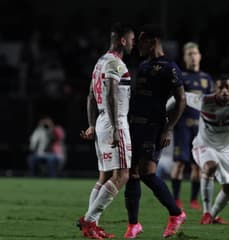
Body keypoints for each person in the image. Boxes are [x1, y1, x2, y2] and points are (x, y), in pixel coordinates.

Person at [169, 75, 229, 224]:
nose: (224, 91)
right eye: (220, 88)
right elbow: (178, 97)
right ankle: (205, 213)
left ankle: (212, 215)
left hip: (226, 151)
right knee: (210, 166)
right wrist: (165, 115)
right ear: (214, 90)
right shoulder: (205, 100)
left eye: (228, 88)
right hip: (204, 145)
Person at [123, 25, 186, 239]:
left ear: (153, 41)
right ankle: (133, 225)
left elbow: (181, 101)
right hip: (135, 125)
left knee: (148, 174)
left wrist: (168, 129)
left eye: (141, 41)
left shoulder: (170, 67)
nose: (137, 45)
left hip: (154, 126)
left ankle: (176, 214)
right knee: (131, 174)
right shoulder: (142, 65)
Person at [77, 22, 135, 239]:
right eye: (131, 40)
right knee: (122, 175)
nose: (133, 43)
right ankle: (89, 221)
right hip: (114, 121)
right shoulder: (115, 64)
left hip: (102, 120)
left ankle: (92, 226)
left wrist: (92, 124)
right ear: (122, 40)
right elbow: (110, 93)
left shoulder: (100, 62)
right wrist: (114, 127)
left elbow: (91, 96)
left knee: (104, 176)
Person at [170, 42, 214, 210]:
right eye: (189, 54)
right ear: (184, 57)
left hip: (201, 127)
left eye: (195, 53)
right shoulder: (180, 76)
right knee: (180, 163)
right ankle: (176, 199)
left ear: (200, 56)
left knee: (198, 164)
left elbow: (211, 104)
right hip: (182, 125)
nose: (193, 56)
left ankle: (194, 200)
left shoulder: (206, 79)